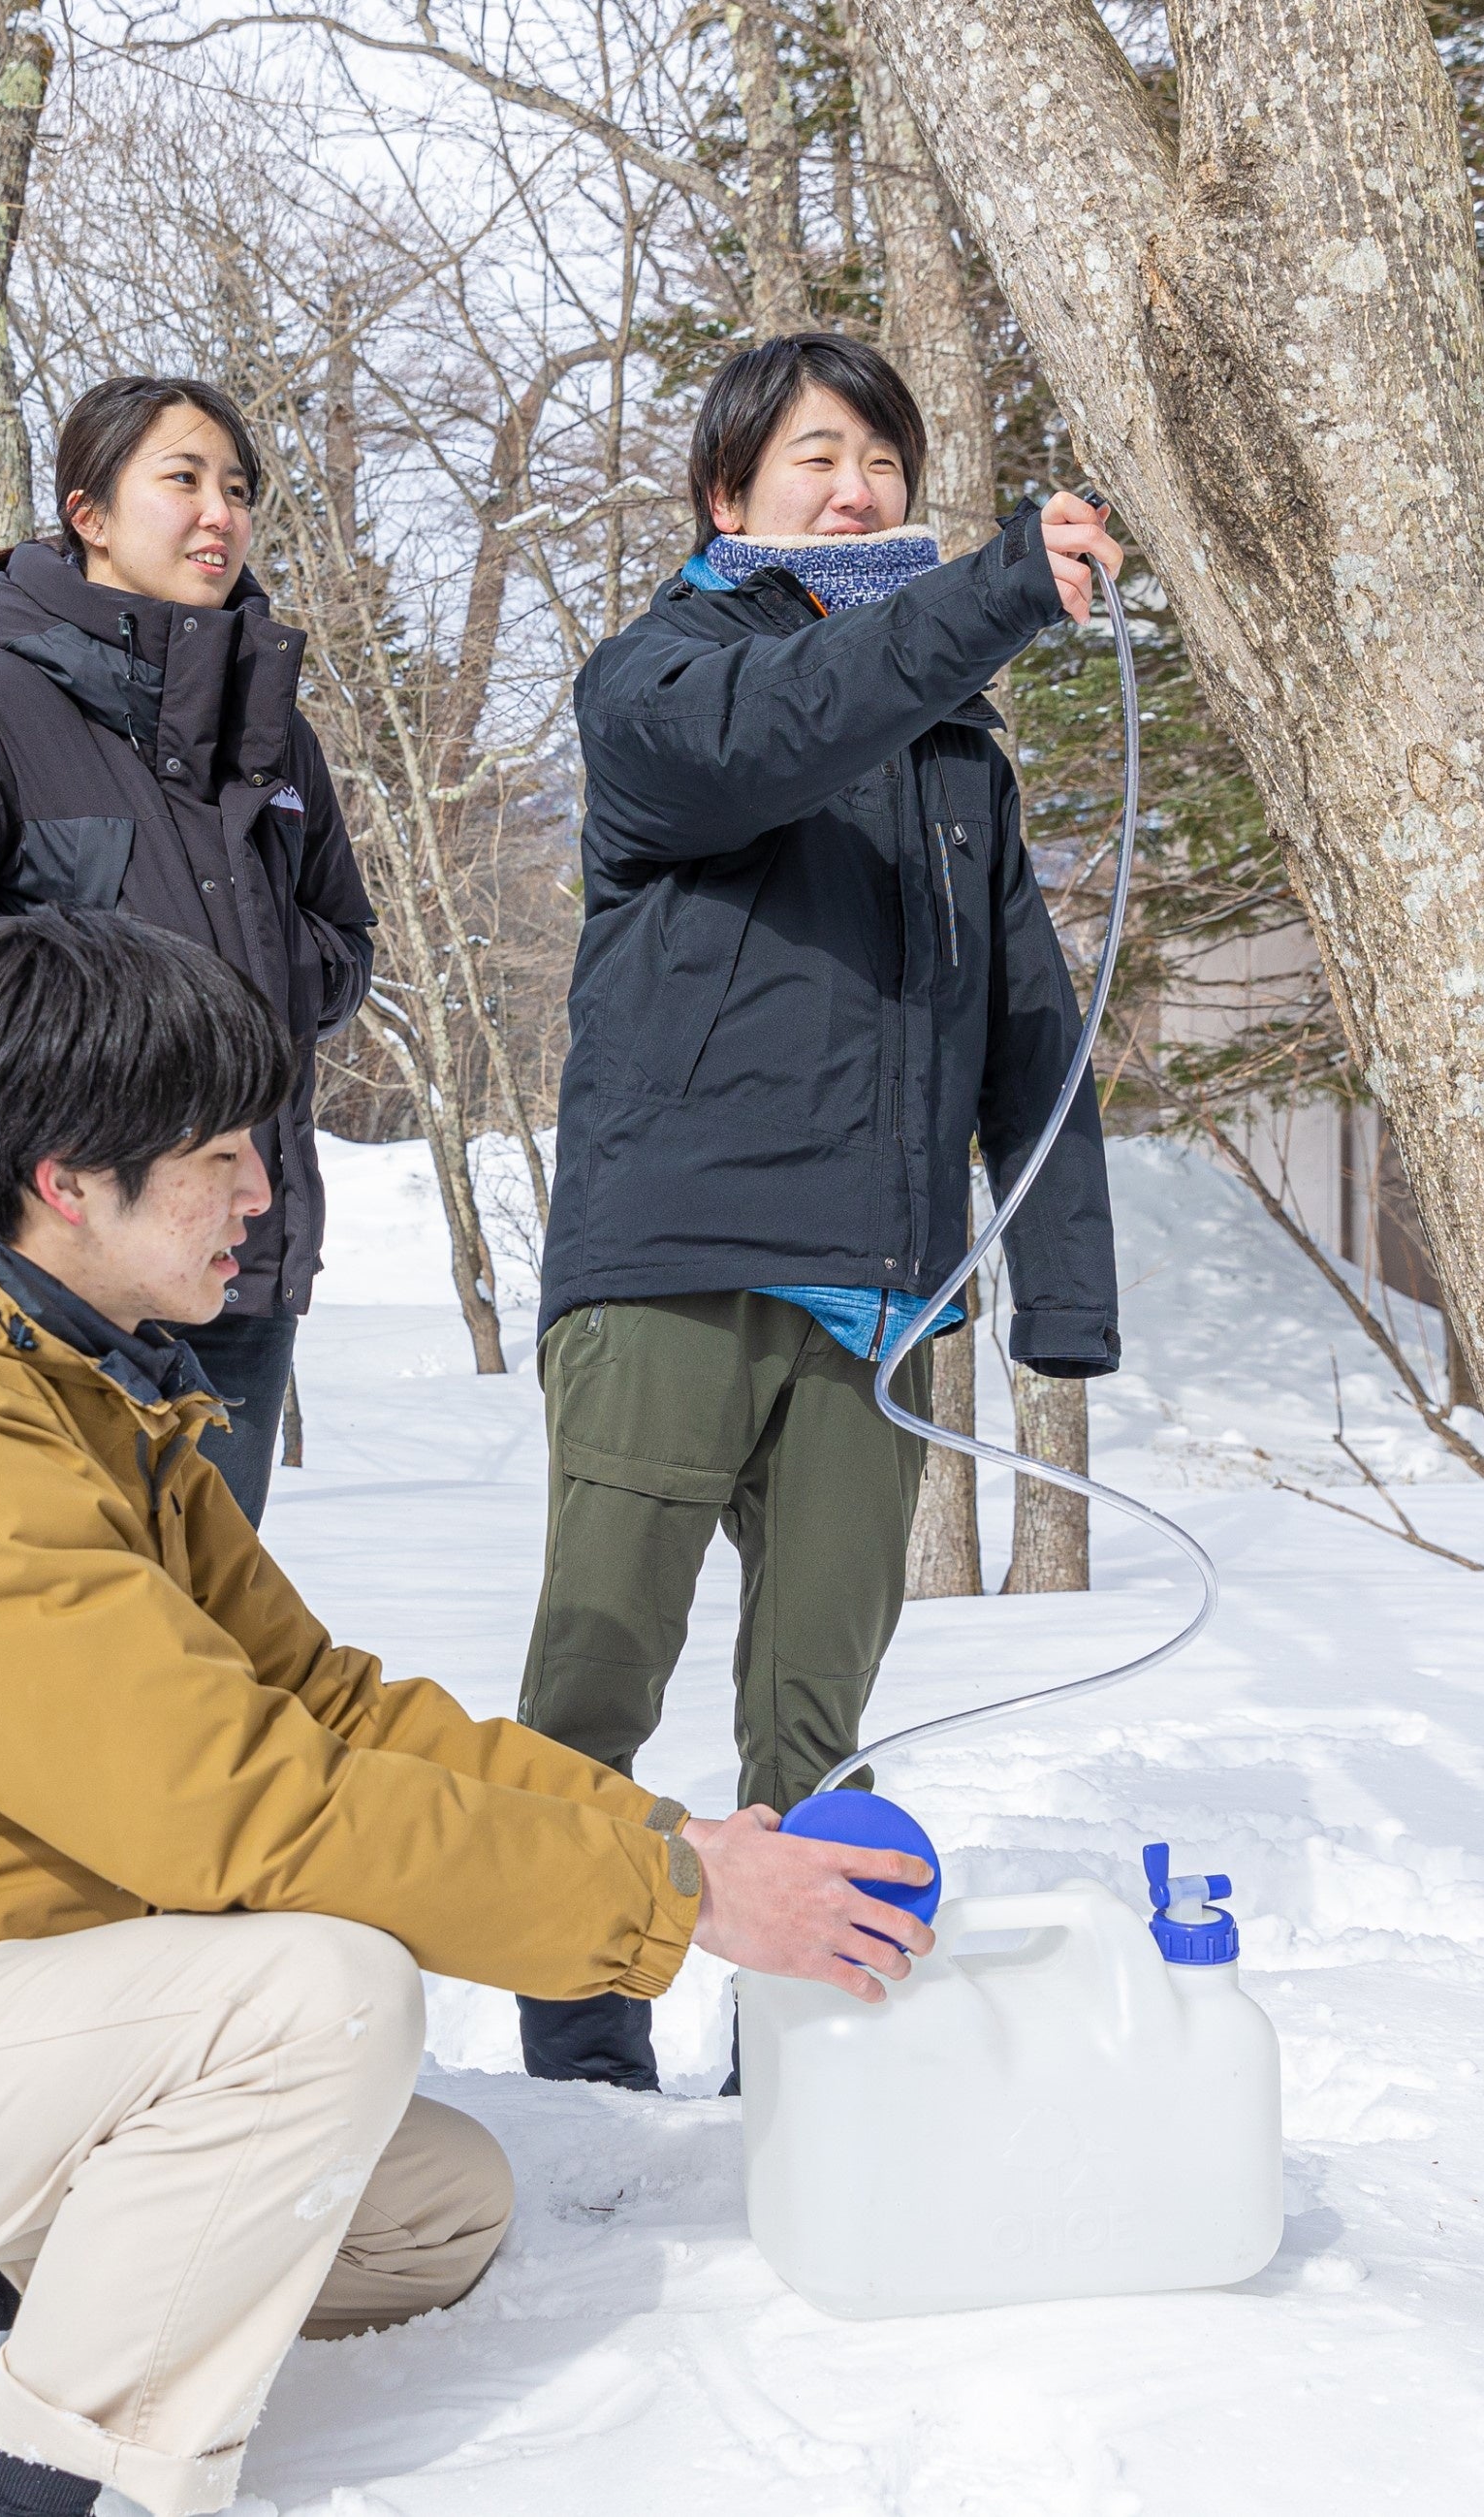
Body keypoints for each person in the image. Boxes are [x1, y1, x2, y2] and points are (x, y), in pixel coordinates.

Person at [0, 910, 931, 2517]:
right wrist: (686, 1906)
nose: (262, 1190)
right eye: (221, 1153)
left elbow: (326, 1709)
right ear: (62, 1175)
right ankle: (47, 2483)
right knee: (320, 2003)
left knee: (431, 2210)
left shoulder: (77, 1387)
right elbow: (243, 1809)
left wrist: (671, 1840)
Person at [511, 333, 1127, 2095]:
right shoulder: (660, 679)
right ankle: (581, 2061)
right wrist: (1003, 586)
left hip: (883, 1296)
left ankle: (794, 2060)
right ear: (730, 496)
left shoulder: (952, 753)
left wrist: (1058, 1300)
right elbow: (787, 729)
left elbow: (1032, 1026)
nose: (854, 491)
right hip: (670, 1272)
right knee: (597, 1684)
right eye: (814, 459)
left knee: (817, 1721)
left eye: (880, 465)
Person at [0, 376, 374, 1525]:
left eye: (239, 488)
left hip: (234, 1260)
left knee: (207, 1647)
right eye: (183, 479)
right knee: (57, 1634)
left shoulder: (272, 725)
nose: (220, 512)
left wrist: (242, 993)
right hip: (56, 1268)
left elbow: (343, 943)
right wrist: (79, 1012)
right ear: (90, 515)